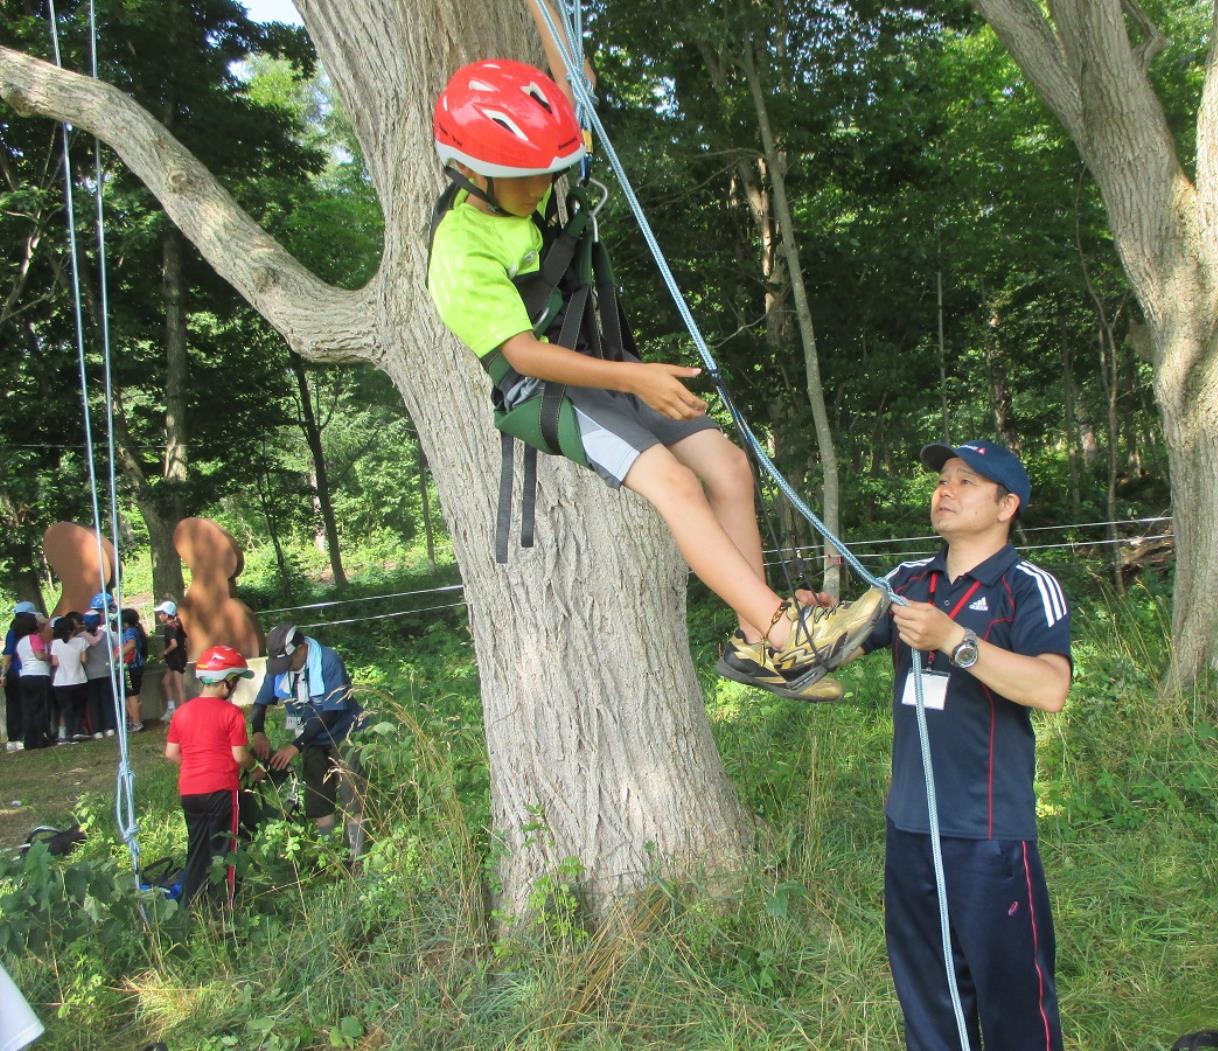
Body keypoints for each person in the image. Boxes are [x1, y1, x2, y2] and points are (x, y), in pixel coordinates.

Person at [425, 1, 886, 702]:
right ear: (469, 170)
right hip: (546, 393)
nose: (543, 188)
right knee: (672, 482)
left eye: (548, 173)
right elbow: (521, 355)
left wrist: (540, 7)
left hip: (604, 370)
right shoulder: (457, 251)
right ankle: (783, 631)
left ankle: (756, 642)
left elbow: (573, 86)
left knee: (728, 465)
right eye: (523, 179)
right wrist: (635, 376)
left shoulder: (530, 175)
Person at [837, 441, 1072, 1051]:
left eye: (966, 481)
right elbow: (831, 644)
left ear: (1006, 505)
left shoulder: (1028, 586)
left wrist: (955, 640)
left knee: (1014, 998)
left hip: (989, 830)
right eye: (943, 479)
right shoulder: (907, 581)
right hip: (911, 825)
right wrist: (806, 624)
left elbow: (1050, 688)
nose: (945, 490)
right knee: (928, 999)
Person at [251, 623, 368, 860]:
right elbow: (261, 702)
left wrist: (296, 746)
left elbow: (330, 712)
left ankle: (355, 857)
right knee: (317, 793)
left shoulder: (328, 660)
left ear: (302, 648)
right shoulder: (278, 665)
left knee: (351, 792)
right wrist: (258, 731)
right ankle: (333, 856)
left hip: (344, 733)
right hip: (310, 736)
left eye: (287, 663)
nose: (282, 669)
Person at [164, 644, 255, 906]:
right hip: (221, 790)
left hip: (190, 791)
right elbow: (239, 756)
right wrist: (254, 768)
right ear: (226, 682)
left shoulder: (182, 712)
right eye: (235, 682)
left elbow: (171, 753)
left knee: (197, 849)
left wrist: (193, 765)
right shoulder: (231, 713)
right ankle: (225, 906)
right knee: (225, 849)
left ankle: (190, 904)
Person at [12, 612, 52, 751]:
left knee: (29, 709)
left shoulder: (20, 642)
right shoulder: (35, 638)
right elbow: (39, 655)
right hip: (39, 674)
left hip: (25, 676)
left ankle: (30, 740)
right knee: (42, 708)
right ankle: (42, 737)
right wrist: (50, 657)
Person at [4, 601, 40, 752]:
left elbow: (7, 655)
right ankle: (23, 735)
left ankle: (14, 737)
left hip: (13, 674)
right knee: (25, 705)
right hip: (24, 673)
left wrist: (4, 673)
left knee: (13, 706)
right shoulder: (30, 634)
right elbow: (8, 656)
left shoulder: (12, 632)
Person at [49, 615, 89, 743]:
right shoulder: (81, 641)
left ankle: (68, 734)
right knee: (79, 708)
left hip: (61, 682)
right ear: (73, 629)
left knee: (66, 709)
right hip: (79, 679)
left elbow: (54, 662)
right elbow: (84, 660)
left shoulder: (55, 643)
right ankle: (78, 730)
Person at [81, 609, 120, 739]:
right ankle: (110, 727)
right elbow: (115, 650)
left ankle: (96, 730)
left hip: (89, 674)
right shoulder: (106, 634)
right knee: (108, 701)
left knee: (93, 703)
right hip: (106, 671)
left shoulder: (81, 637)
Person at [156, 599, 187, 722]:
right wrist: (185, 655)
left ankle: (184, 714)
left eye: (161, 613)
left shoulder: (169, 627)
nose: (159, 616)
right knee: (165, 682)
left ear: (167, 614)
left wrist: (164, 653)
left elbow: (174, 644)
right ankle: (171, 708)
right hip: (176, 660)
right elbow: (186, 641)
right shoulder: (177, 624)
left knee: (179, 687)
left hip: (176, 660)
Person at [119, 608, 148, 733]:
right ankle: (134, 720)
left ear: (125, 623)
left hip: (131, 668)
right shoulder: (135, 630)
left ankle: (136, 722)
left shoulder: (130, 631)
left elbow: (131, 644)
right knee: (130, 694)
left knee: (131, 695)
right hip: (134, 667)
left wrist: (116, 656)